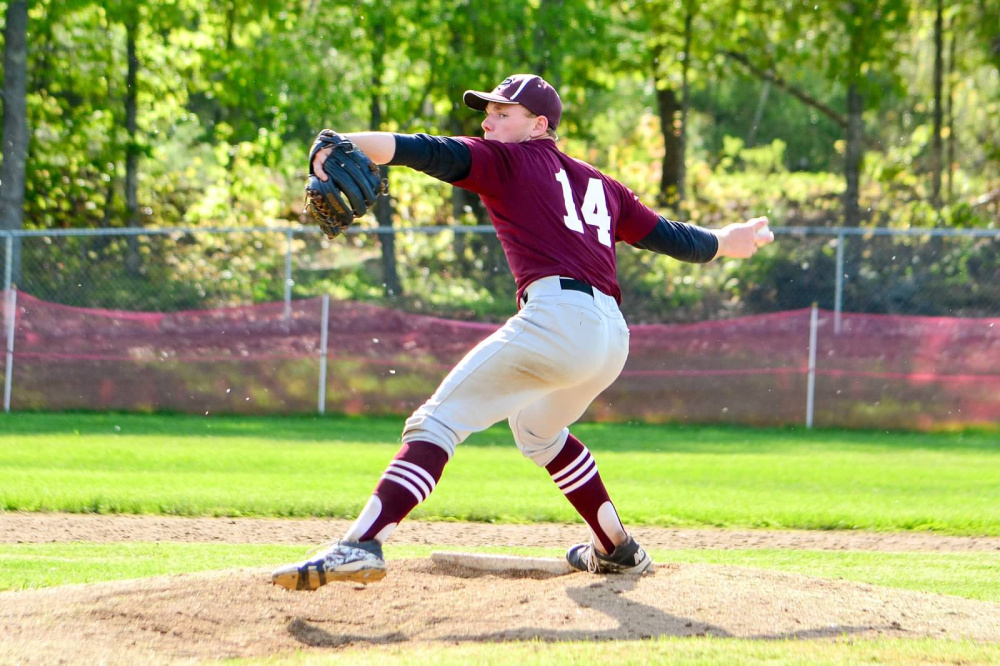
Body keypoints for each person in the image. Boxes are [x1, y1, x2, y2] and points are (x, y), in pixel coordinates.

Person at [272, 73, 773, 591]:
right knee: (536, 432)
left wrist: (341, 146)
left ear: (540, 125)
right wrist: (726, 241)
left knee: (436, 422)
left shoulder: (509, 160)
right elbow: (674, 238)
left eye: (502, 113)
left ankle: (362, 542)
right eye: (486, 112)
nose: (488, 120)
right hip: (609, 339)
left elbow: (419, 150)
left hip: (558, 319)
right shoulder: (602, 183)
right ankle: (617, 549)